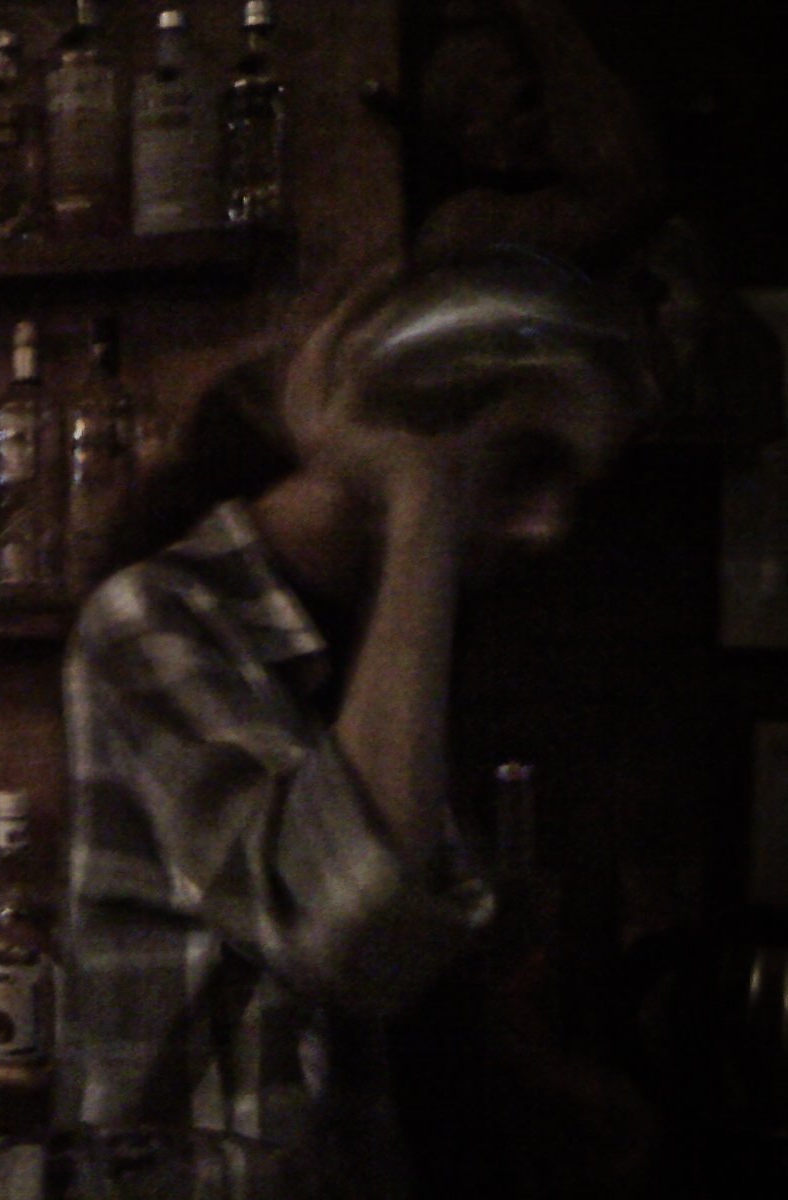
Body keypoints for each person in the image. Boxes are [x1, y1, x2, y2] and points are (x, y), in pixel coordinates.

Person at [58, 246, 660, 1199]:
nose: (553, 526)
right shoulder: (154, 620)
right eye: (522, 467)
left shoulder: (411, 623)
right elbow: (351, 923)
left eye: (575, 486)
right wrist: (419, 493)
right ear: (405, 427)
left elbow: (412, 989)